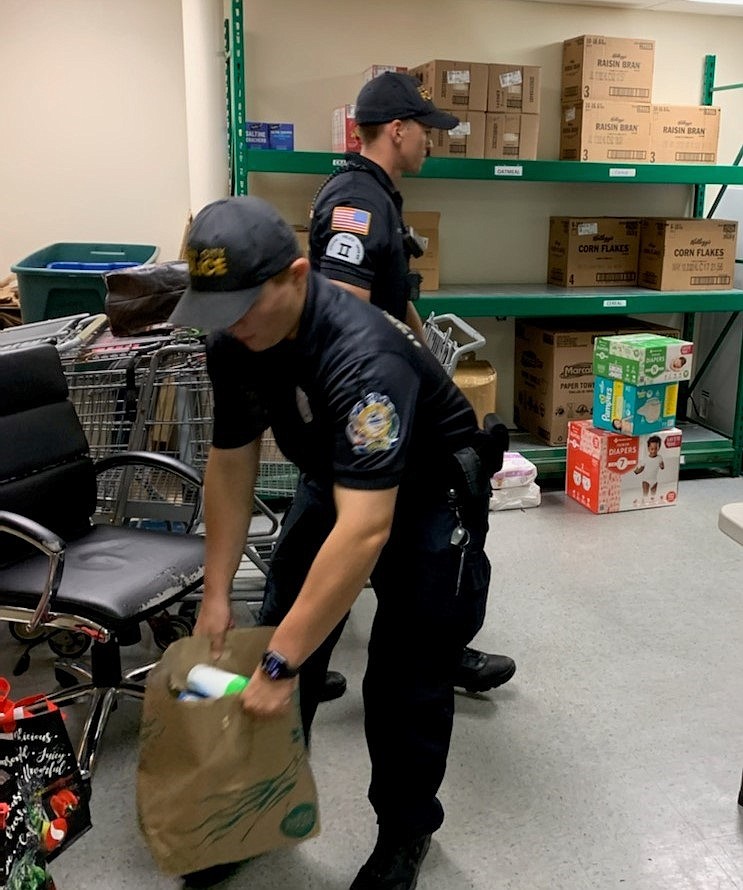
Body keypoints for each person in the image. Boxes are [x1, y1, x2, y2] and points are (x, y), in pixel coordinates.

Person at [169, 195, 508, 889]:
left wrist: (281, 663)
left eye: (242, 306)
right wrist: (215, 598)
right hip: (336, 480)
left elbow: (366, 531)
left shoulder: (363, 355)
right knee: (274, 635)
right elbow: (230, 463)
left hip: (424, 499)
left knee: (404, 679)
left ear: (295, 276)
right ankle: (259, 808)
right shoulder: (232, 334)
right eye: (217, 309)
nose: (229, 325)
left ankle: (405, 832)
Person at [309, 70, 515, 694]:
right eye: (425, 129)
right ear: (396, 130)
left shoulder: (375, 193)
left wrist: (429, 363)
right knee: (430, 523)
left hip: (383, 397)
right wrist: (406, 388)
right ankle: (424, 651)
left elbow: (392, 300)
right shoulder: (359, 200)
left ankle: (304, 661)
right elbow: (345, 310)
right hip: (371, 408)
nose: (432, 140)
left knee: (338, 532)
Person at [634, 434, 664, 504]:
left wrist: (662, 466)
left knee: (653, 493)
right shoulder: (645, 459)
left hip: (654, 480)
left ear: (659, 448)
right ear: (648, 448)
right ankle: (644, 501)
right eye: (652, 449)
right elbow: (641, 468)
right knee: (645, 493)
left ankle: (652, 501)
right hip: (646, 480)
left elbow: (662, 466)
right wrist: (636, 471)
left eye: (656, 449)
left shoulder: (660, 457)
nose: (653, 451)